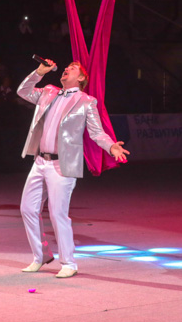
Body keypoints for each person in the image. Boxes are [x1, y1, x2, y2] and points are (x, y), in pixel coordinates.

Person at [17, 60, 129, 278]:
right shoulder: (48, 92)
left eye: (72, 68)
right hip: (40, 161)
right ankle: (40, 256)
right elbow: (23, 91)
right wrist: (39, 73)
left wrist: (111, 146)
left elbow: (97, 132)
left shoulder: (87, 101)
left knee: (58, 213)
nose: (66, 69)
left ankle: (69, 262)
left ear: (81, 78)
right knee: (28, 209)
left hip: (63, 164)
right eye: (66, 67)